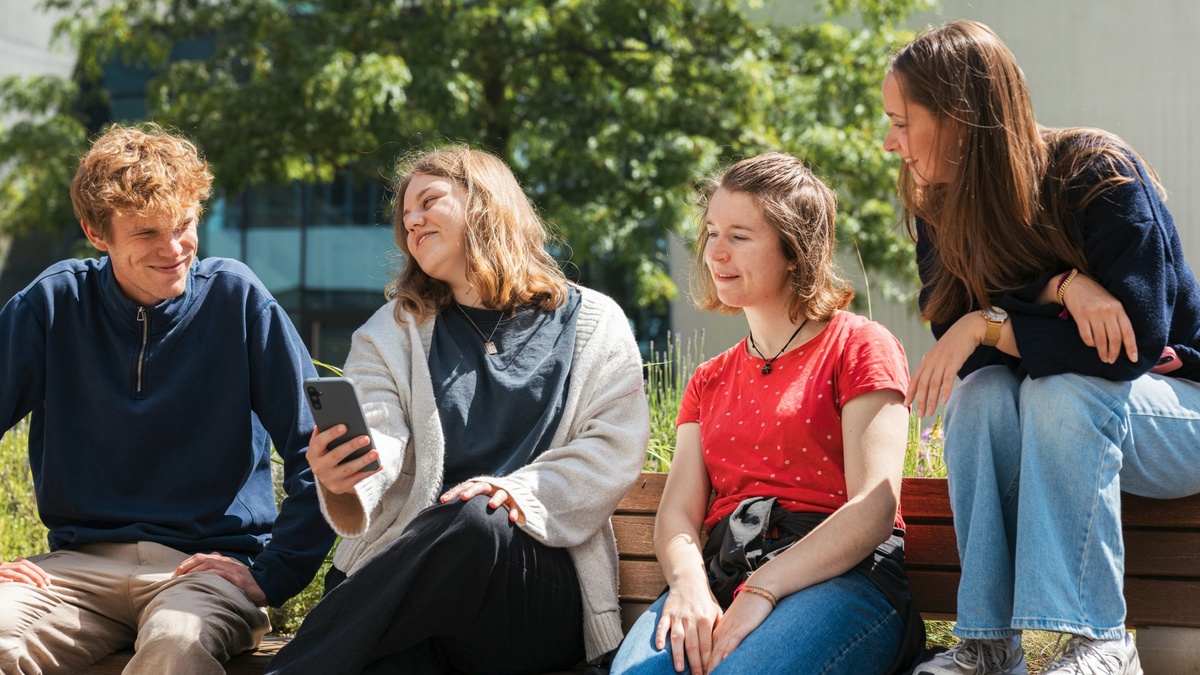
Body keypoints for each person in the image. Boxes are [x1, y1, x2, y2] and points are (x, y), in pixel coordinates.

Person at [884, 20, 1200, 675]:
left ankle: (1096, 643)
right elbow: (970, 356)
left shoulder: (1098, 174)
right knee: (980, 399)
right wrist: (1058, 288)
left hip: (1181, 411)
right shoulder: (940, 209)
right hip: (1077, 415)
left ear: (959, 120)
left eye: (901, 122)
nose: (891, 144)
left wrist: (993, 323)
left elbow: (1130, 348)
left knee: (1062, 386)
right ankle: (988, 643)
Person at [264, 146, 650, 675]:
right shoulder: (390, 333)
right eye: (405, 216)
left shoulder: (595, 322)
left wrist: (513, 493)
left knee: (480, 517)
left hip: (530, 592)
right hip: (416, 597)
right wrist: (344, 476)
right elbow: (378, 435)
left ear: (486, 204)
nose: (412, 221)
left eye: (429, 201)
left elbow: (611, 452)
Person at [0, 124, 335, 674]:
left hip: (203, 572)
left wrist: (274, 573)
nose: (174, 248)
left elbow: (319, 452)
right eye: (148, 233)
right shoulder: (53, 303)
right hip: (74, 570)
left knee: (176, 644)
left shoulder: (238, 300)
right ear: (95, 231)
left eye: (184, 225)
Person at [610, 152, 923, 675]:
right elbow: (679, 514)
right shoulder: (708, 378)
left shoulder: (859, 345)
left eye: (740, 235)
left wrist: (764, 588)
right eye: (711, 232)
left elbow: (872, 507)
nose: (716, 252)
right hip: (723, 574)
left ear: (794, 251)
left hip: (841, 579)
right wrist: (688, 587)